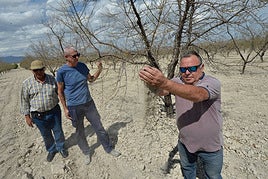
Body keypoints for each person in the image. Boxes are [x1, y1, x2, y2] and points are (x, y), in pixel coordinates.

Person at [139, 50, 223, 179]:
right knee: (188, 169)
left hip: (210, 145)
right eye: (183, 69)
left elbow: (198, 95)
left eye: (192, 68)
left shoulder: (212, 83)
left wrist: (165, 82)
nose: (187, 73)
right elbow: (163, 91)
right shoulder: (177, 81)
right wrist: (151, 82)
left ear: (202, 67)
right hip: (185, 142)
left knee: (213, 175)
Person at [56, 46, 121, 165]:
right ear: (66, 57)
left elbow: (91, 80)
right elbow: (60, 91)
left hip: (89, 104)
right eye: (74, 56)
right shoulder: (61, 72)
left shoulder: (82, 66)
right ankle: (86, 152)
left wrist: (99, 69)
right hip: (74, 107)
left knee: (99, 127)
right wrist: (65, 108)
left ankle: (108, 148)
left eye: (78, 54)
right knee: (80, 131)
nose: (77, 57)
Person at [20, 60, 68, 162]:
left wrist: (66, 106)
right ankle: (51, 150)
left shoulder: (52, 79)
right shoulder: (27, 83)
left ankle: (61, 148)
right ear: (32, 71)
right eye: (36, 70)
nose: (39, 72)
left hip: (54, 111)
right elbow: (24, 100)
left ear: (44, 69)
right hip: (38, 115)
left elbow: (60, 93)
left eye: (40, 69)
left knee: (58, 131)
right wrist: (27, 116)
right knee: (45, 134)